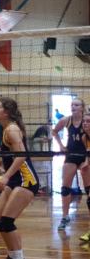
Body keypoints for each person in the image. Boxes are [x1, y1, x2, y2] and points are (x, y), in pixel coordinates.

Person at [0, 97, 39, 259]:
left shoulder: (11, 129)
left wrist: (6, 175)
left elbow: (22, 155)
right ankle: (12, 257)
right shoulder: (6, 129)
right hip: (15, 180)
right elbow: (13, 152)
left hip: (26, 180)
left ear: (7, 112)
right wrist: (1, 152)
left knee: (7, 220)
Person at [52, 98, 88, 231]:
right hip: (71, 155)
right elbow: (54, 131)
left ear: (82, 108)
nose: (73, 106)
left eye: (76, 105)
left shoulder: (87, 120)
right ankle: (65, 216)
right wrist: (61, 145)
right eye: (72, 104)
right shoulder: (66, 120)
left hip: (85, 156)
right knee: (65, 188)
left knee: (88, 190)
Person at [78, 113, 90, 242]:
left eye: (88, 121)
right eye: (84, 121)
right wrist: (86, 162)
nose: (85, 123)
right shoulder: (84, 138)